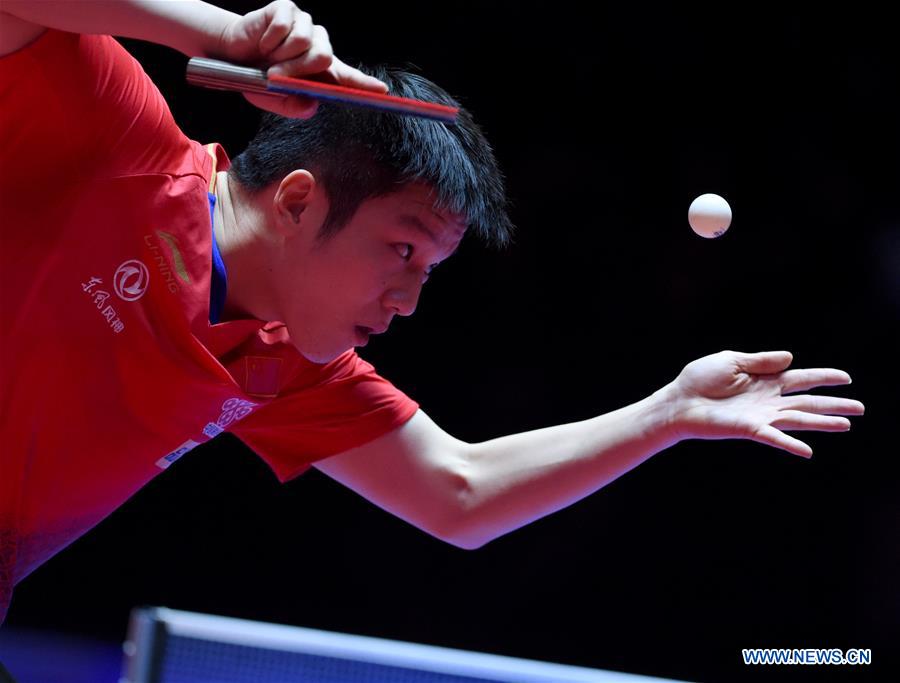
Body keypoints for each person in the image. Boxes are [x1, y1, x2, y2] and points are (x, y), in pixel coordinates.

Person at [0, 0, 865, 626]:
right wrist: (220, 32)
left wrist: (666, 413)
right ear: (298, 201)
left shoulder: (285, 366)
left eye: (430, 271)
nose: (409, 300)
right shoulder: (121, 139)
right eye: (403, 250)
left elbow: (460, 491)